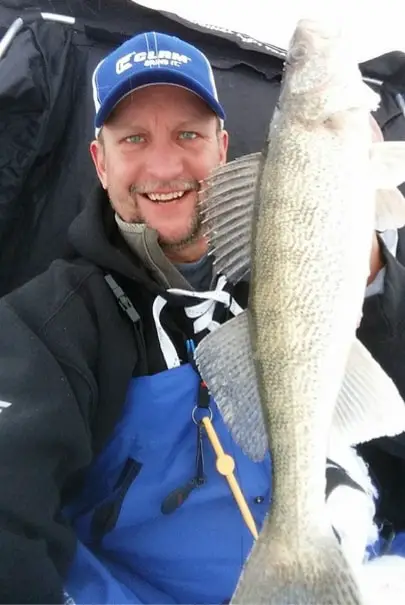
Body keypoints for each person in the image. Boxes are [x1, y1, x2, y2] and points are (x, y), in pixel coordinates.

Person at [0, 30, 404, 605]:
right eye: (134, 138)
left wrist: (370, 276)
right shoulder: (47, 323)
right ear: (100, 161)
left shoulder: (283, 265)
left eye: (188, 134)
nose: (164, 166)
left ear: (223, 147)